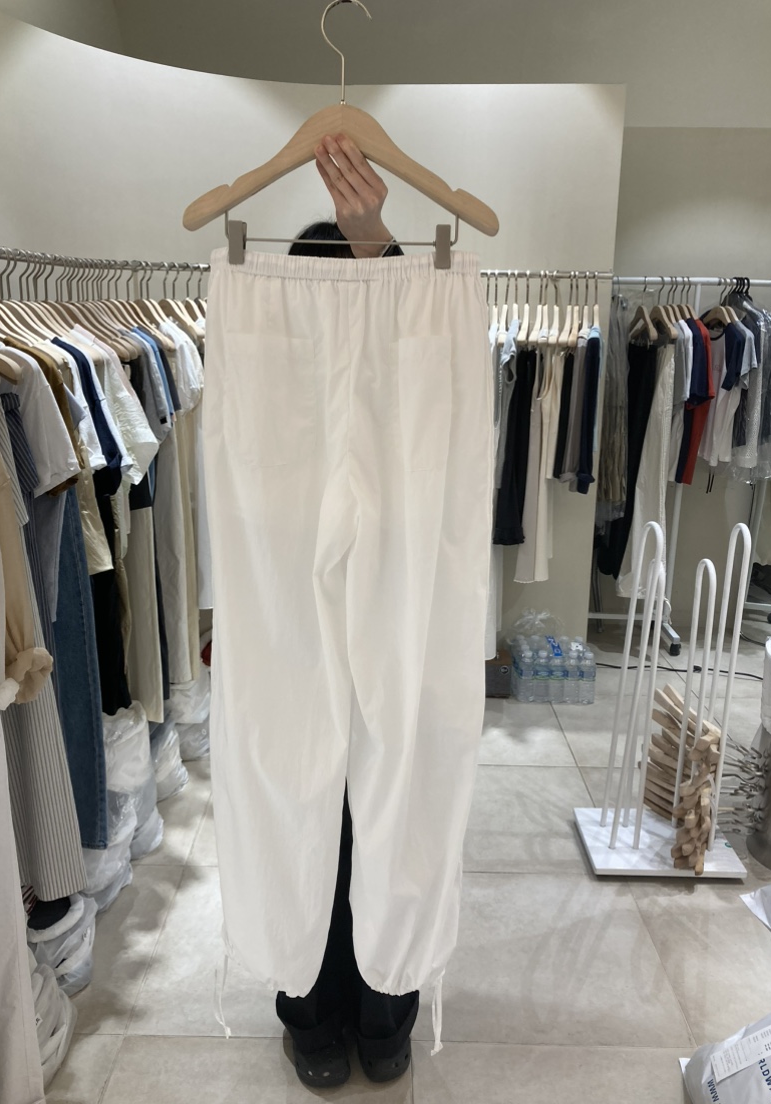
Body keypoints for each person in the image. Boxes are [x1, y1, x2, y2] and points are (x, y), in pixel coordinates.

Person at [274, 133, 418, 1091]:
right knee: (309, 811)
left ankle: (378, 1004)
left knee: (389, 806)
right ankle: (319, 1005)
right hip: (295, 610)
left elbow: (424, 361)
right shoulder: (271, 378)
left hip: (393, 605)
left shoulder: (409, 376)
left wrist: (377, 248)